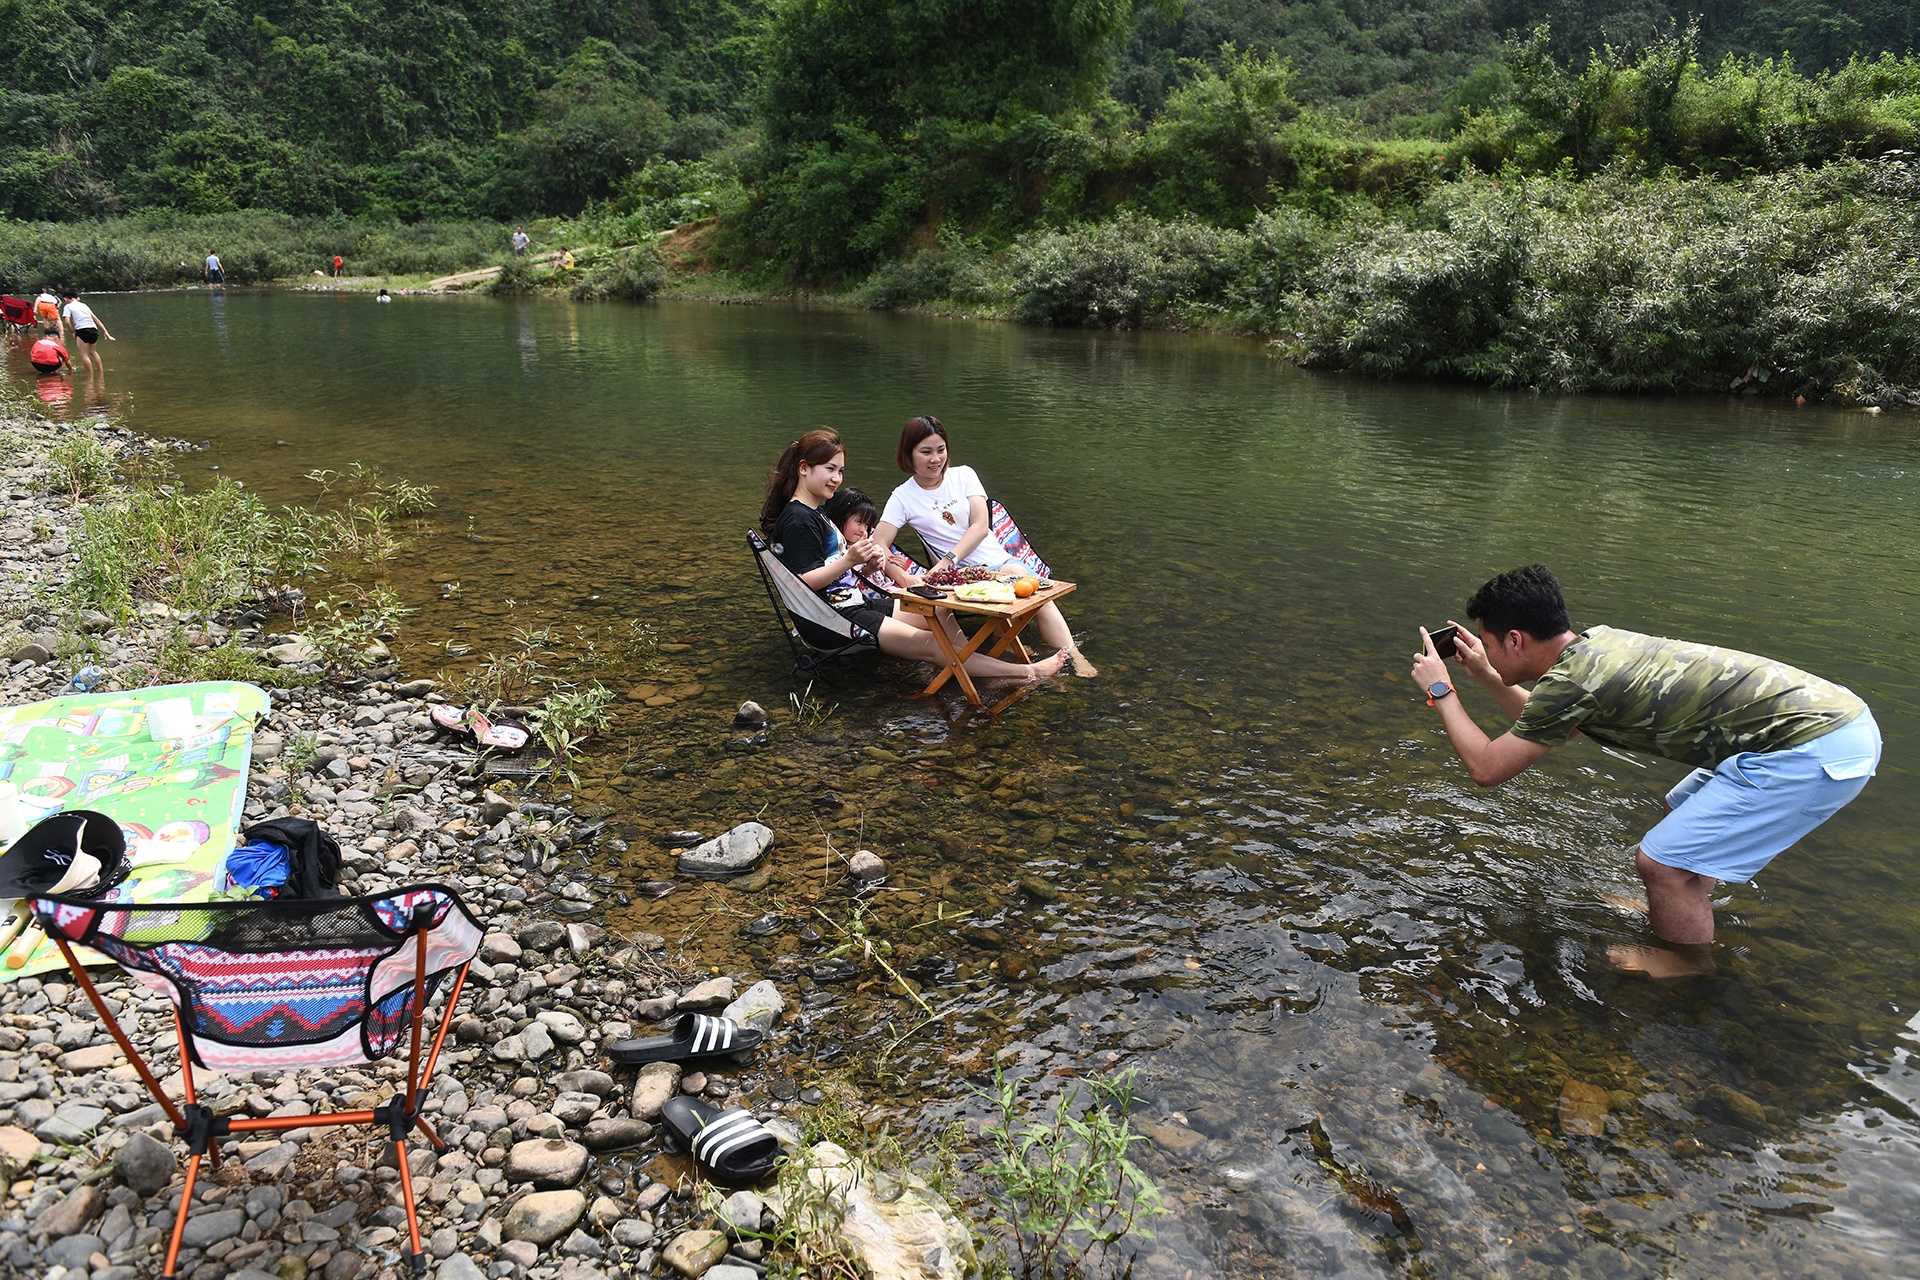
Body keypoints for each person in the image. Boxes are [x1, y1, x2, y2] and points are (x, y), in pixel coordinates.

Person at [1411, 564, 1880, 977]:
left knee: (1661, 862)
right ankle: (1683, 906)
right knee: (1678, 811)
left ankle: (1688, 963)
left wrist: (1441, 689)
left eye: (1490, 644)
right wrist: (1492, 677)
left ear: (1515, 639)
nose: (1487, 653)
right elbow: (1551, 722)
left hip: (1814, 747)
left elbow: (1487, 769)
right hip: (1826, 723)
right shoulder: (1596, 648)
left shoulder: (1574, 681)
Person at [761, 429, 1066, 683]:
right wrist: (850, 560)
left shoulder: (816, 512)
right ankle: (1026, 672)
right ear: (804, 468)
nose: (837, 479)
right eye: (829, 469)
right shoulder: (799, 519)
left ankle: (973, 666)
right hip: (836, 620)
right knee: (933, 644)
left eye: (840, 471)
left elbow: (833, 571)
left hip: (854, 603)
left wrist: (866, 567)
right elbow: (801, 584)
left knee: (937, 609)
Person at [873, 414, 1097, 677]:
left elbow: (980, 526)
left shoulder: (964, 475)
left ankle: (1075, 656)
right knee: (1017, 584)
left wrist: (946, 560)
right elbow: (878, 544)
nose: (936, 459)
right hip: (962, 578)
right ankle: (1015, 659)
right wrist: (902, 575)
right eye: (926, 452)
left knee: (1034, 588)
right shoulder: (903, 497)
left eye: (941, 450)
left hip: (996, 561)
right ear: (908, 455)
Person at [58, 292, 114, 376]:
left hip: (82, 330)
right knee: (93, 352)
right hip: (93, 329)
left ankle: (90, 376)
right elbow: (96, 319)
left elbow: (67, 322)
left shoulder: (68, 306)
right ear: (76, 297)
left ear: (66, 299)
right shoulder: (84, 305)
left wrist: (72, 332)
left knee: (84, 354)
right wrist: (105, 332)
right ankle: (100, 373)